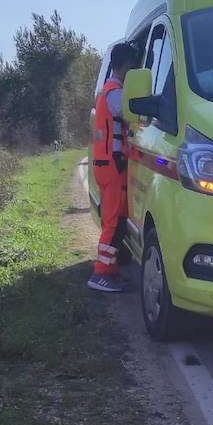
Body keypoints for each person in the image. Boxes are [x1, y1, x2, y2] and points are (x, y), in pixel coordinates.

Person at [88, 43, 138, 292]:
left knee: (116, 219)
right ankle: (101, 273)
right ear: (127, 64)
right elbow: (130, 114)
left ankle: (111, 268)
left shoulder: (107, 90)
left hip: (108, 164)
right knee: (112, 222)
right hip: (113, 165)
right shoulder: (115, 92)